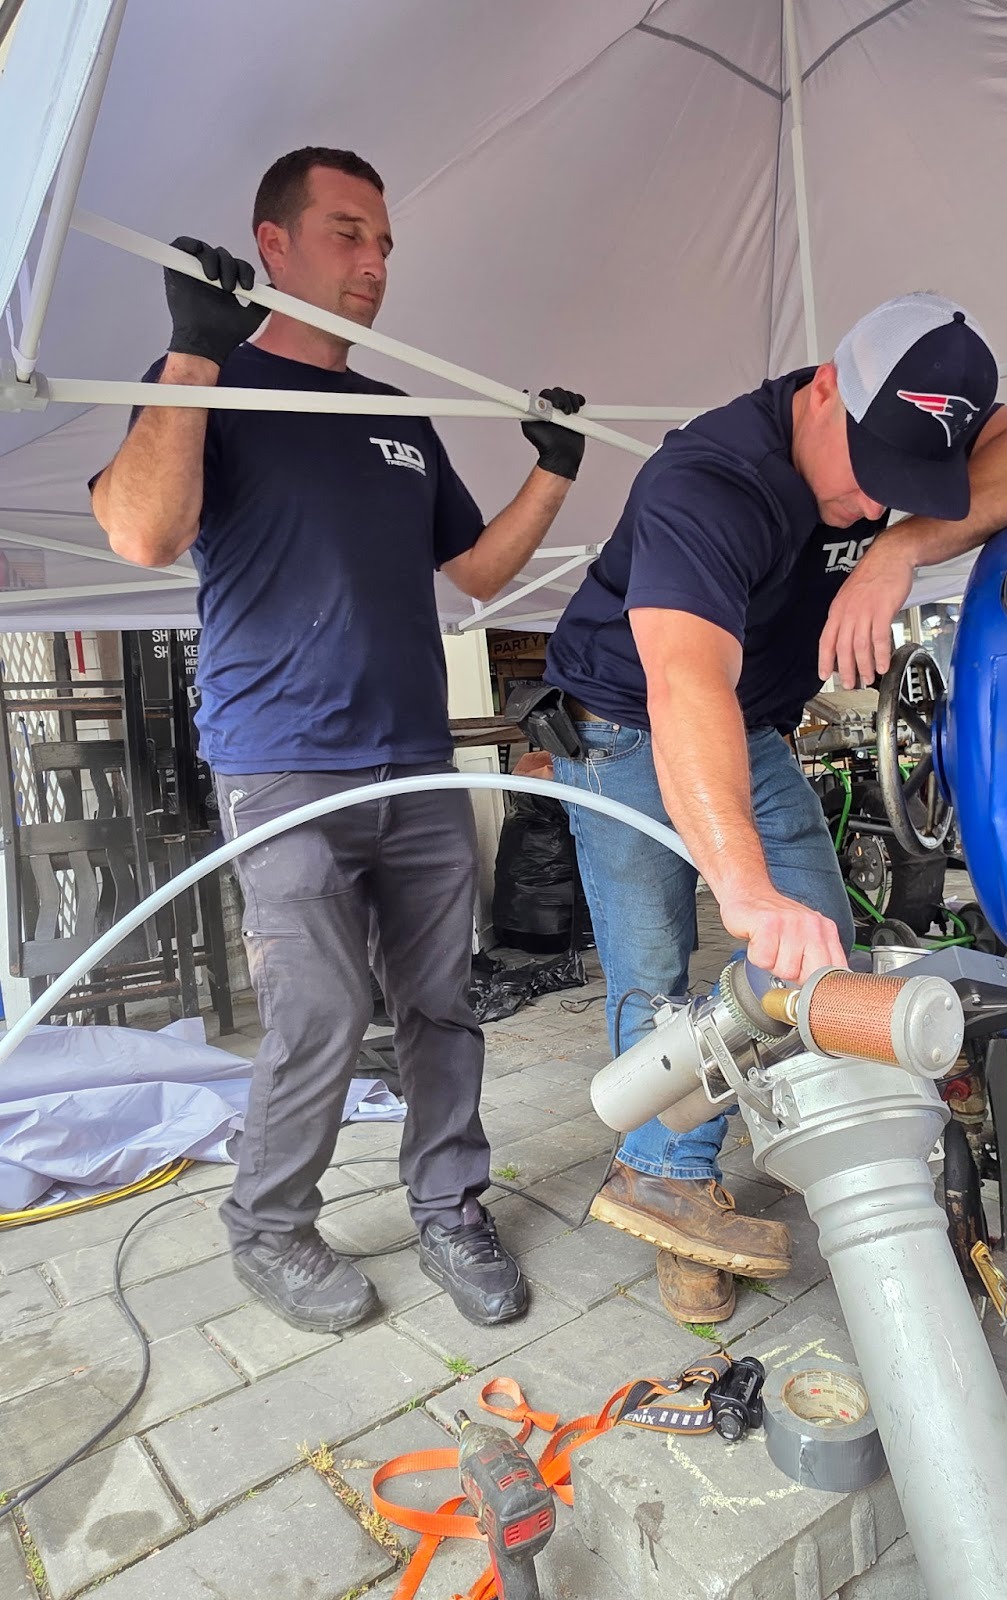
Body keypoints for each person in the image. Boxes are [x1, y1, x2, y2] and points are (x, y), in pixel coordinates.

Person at [90, 147, 587, 1332]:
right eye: (348, 233)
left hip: (414, 759)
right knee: (317, 1012)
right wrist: (195, 350)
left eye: (383, 244)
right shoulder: (211, 388)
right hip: (284, 761)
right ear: (276, 244)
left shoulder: (396, 413)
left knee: (440, 1003)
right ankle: (267, 1226)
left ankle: (452, 1210)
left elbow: (475, 571)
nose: (374, 264)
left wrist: (554, 472)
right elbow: (142, 533)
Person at [545, 292, 1007, 1324]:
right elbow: (684, 687)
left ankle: (835, 1142)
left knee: (818, 944)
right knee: (658, 964)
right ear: (825, 388)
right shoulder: (708, 482)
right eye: (871, 477)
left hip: (748, 724)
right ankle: (662, 1177)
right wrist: (739, 889)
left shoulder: (896, 456)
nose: (867, 502)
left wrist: (902, 549)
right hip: (625, 721)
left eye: (905, 484)